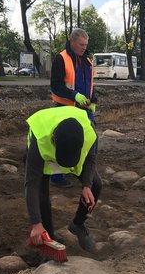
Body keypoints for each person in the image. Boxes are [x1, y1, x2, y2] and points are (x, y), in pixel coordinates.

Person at [25, 106, 101, 253]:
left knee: (96, 184)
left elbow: (91, 159)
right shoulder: (39, 137)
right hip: (43, 151)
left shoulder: (89, 132)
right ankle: (47, 237)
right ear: (53, 139)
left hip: (66, 146)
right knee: (41, 193)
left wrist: (86, 185)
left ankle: (78, 224)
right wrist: (36, 223)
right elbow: (31, 182)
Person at [50, 28, 97, 188]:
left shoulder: (87, 61)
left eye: (86, 44)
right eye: (81, 44)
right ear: (72, 42)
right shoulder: (61, 59)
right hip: (64, 107)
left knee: (90, 141)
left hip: (84, 109)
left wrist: (93, 101)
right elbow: (55, 86)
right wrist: (74, 95)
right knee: (59, 141)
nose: (84, 47)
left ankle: (82, 171)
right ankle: (56, 176)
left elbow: (90, 85)